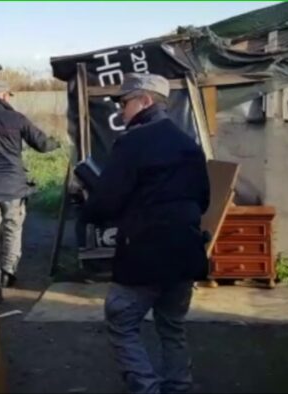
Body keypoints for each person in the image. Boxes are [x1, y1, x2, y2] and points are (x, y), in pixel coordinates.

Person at [80, 73, 210, 394]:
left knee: (122, 322)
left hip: (144, 254)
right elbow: (203, 199)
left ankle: (146, 388)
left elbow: (106, 202)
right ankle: (178, 387)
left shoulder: (132, 143)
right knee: (172, 327)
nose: (121, 111)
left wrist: (91, 203)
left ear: (145, 101)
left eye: (124, 103)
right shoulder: (188, 144)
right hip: (186, 253)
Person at [0, 81, 60, 304]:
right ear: (5, 96)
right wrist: (56, 143)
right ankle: (9, 272)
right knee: (12, 230)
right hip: (14, 187)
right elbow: (43, 145)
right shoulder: (16, 119)